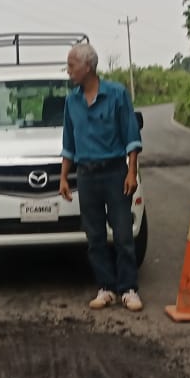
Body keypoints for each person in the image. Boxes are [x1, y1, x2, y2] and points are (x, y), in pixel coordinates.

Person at [59, 42, 144, 312]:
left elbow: (131, 136)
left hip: (115, 173)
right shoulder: (71, 101)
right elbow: (68, 143)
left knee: (122, 233)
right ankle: (106, 288)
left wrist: (131, 172)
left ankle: (128, 289)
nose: (68, 70)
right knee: (94, 235)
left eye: (71, 65)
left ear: (88, 66)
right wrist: (64, 177)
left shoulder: (117, 94)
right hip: (86, 175)